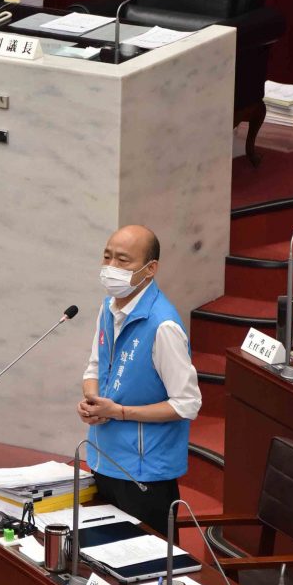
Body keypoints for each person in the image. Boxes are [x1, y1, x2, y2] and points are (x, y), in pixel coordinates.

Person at [77, 224, 201, 537]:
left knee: (148, 569)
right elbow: (94, 366)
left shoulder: (163, 326)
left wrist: (118, 412)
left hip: (145, 471)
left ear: (150, 269)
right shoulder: (108, 307)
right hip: (105, 457)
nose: (111, 268)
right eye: (107, 257)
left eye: (123, 261)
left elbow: (187, 403)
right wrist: (92, 403)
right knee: (103, 557)